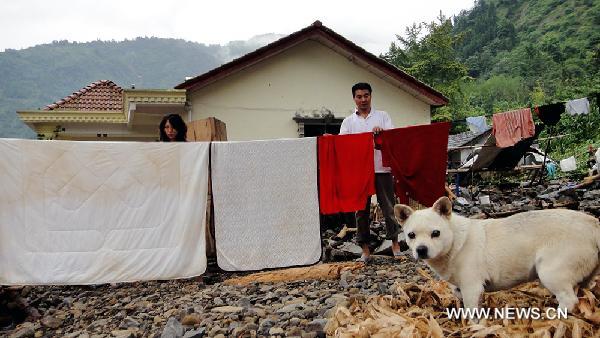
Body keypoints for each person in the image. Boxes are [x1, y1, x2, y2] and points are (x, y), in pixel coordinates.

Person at [339, 82, 403, 262]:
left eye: (366, 95)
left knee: (389, 208)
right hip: (359, 172)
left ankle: (395, 244)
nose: (363, 99)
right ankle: (365, 249)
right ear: (354, 99)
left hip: (382, 168)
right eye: (359, 96)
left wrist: (382, 134)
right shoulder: (348, 122)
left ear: (371, 96)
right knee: (361, 211)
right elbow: (343, 146)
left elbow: (393, 138)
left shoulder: (383, 117)